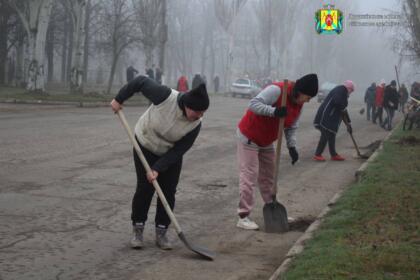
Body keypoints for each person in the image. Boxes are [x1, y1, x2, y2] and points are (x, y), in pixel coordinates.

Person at [110, 76, 209, 250]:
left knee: (168, 191)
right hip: (145, 143)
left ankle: (161, 232)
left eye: (203, 113)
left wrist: (157, 168)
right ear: (188, 106)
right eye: (198, 112)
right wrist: (119, 99)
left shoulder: (195, 124)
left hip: (169, 153)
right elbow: (139, 81)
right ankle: (137, 230)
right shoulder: (164, 96)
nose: (200, 116)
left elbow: (179, 150)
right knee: (145, 189)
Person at [236, 74, 319, 230]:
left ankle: (272, 207)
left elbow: (292, 125)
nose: (308, 101)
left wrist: (292, 146)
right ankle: (243, 216)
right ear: (299, 91)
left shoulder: (298, 104)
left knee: (269, 176)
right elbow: (253, 104)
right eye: (307, 97)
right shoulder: (277, 90)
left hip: (267, 140)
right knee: (250, 175)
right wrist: (273, 111)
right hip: (249, 136)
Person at [313, 80, 355, 161]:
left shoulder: (344, 94)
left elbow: (344, 110)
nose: (351, 93)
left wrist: (348, 124)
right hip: (326, 116)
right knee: (325, 134)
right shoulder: (341, 90)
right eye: (352, 90)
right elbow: (338, 102)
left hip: (331, 118)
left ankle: (333, 155)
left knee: (332, 134)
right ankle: (317, 154)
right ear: (349, 88)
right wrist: (342, 108)